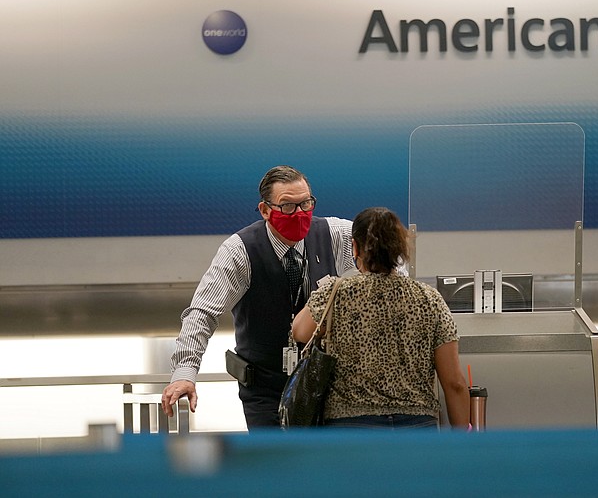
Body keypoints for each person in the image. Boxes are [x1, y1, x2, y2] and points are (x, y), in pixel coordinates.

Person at [161, 165, 354, 429]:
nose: (299, 214)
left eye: (306, 204)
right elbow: (202, 314)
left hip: (326, 384)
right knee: (275, 465)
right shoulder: (239, 250)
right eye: (288, 206)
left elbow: (386, 254)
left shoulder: (335, 234)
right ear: (265, 210)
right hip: (265, 390)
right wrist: (184, 373)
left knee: (323, 467)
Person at [292, 207, 470, 429]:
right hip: (417, 429)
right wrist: (464, 443)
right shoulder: (429, 298)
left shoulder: (337, 293)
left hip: (351, 431)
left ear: (354, 247)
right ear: (400, 248)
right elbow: (454, 383)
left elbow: (299, 331)